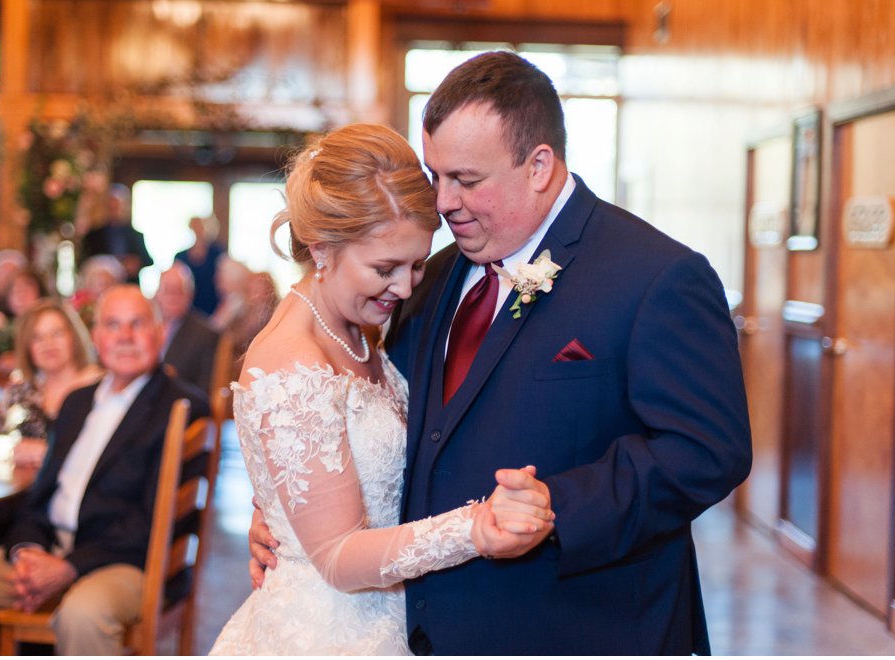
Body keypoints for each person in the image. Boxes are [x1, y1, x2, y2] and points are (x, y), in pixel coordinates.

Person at [250, 52, 753, 654]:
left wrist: (558, 506)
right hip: (423, 629)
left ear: (539, 166)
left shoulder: (655, 276)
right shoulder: (431, 278)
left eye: (466, 180)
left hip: (582, 627)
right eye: (436, 176)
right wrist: (290, 507)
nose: (442, 201)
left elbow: (707, 451)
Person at [210, 124, 553, 655]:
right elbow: (338, 557)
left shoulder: (359, 328)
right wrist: (476, 527)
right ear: (321, 249)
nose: (407, 286)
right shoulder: (289, 361)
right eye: (384, 268)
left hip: (394, 613)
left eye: (417, 264)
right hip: (327, 630)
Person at [0, 285, 210, 655]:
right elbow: (42, 495)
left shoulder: (181, 407)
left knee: (83, 614)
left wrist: (69, 567)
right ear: (95, 337)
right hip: (52, 547)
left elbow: (154, 522)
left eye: (136, 324)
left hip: (127, 561)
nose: (124, 337)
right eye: (112, 325)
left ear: (159, 333)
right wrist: (27, 551)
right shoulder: (78, 401)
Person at [0, 299, 102, 468]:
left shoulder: (100, 389)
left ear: (74, 337)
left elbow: (111, 453)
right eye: (37, 338)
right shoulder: (21, 392)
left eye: (57, 333)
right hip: (23, 489)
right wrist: (11, 449)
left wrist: (48, 453)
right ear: (27, 347)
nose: (48, 344)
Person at [154, 263, 219, 396]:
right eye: (167, 290)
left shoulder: (206, 335)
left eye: (178, 291)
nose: (172, 296)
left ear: (190, 294)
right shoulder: (147, 327)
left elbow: (204, 392)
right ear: (157, 294)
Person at [80, 184, 153, 284]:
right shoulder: (94, 235)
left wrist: (135, 263)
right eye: (111, 207)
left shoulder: (136, 235)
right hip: (102, 286)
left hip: (129, 286)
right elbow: (85, 262)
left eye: (118, 206)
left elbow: (148, 261)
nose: (115, 210)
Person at [174, 216, 226, 315]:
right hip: (189, 308)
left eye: (201, 226)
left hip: (213, 305)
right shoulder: (180, 257)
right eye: (196, 226)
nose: (199, 230)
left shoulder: (217, 254)